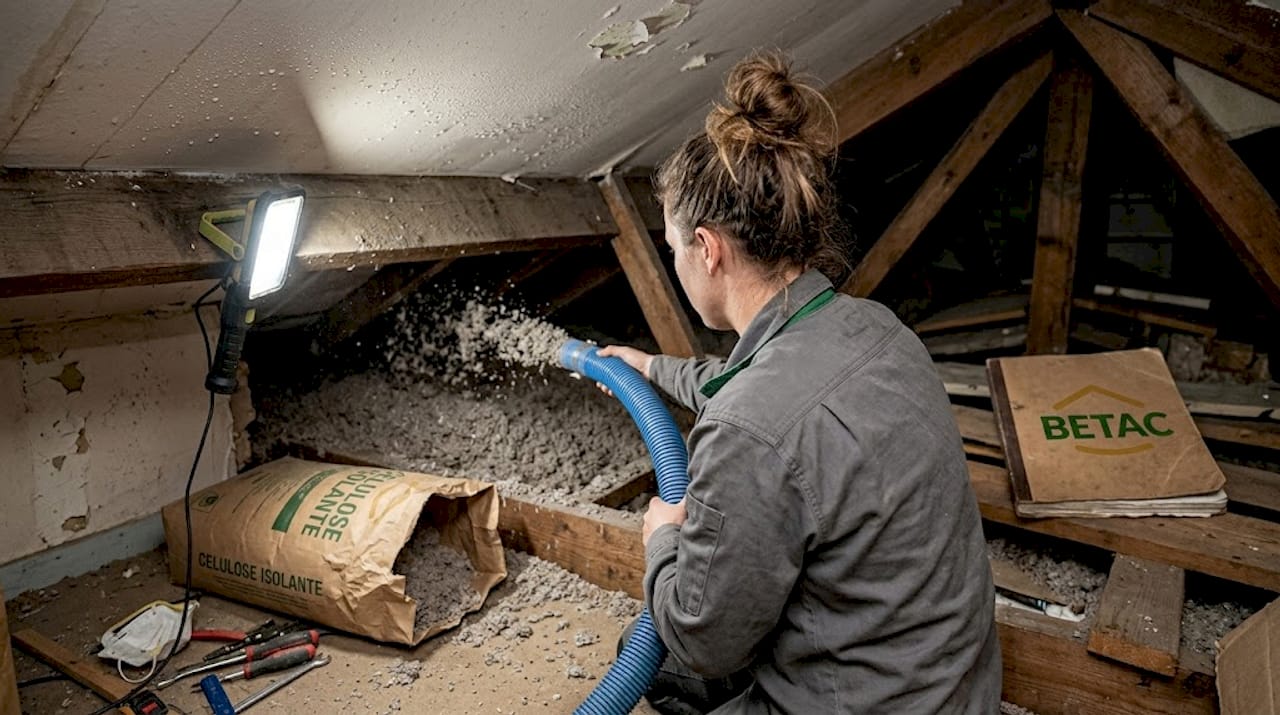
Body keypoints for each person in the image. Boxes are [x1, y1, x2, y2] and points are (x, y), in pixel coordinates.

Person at [598, 51, 1001, 714]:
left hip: (870, 702)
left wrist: (663, 536)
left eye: (673, 248)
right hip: (953, 684)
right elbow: (755, 388)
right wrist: (650, 369)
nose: (676, 263)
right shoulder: (874, 328)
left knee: (661, 654)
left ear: (708, 248)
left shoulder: (746, 430)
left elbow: (704, 639)